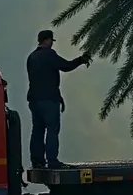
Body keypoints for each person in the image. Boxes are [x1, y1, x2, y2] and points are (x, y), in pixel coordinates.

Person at [26, 29, 91, 169]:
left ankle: (37, 161)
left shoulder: (32, 57)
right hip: (49, 100)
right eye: (51, 41)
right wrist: (81, 60)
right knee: (52, 129)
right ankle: (52, 161)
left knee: (37, 130)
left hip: (34, 100)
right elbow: (66, 66)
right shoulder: (49, 55)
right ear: (47, 40)